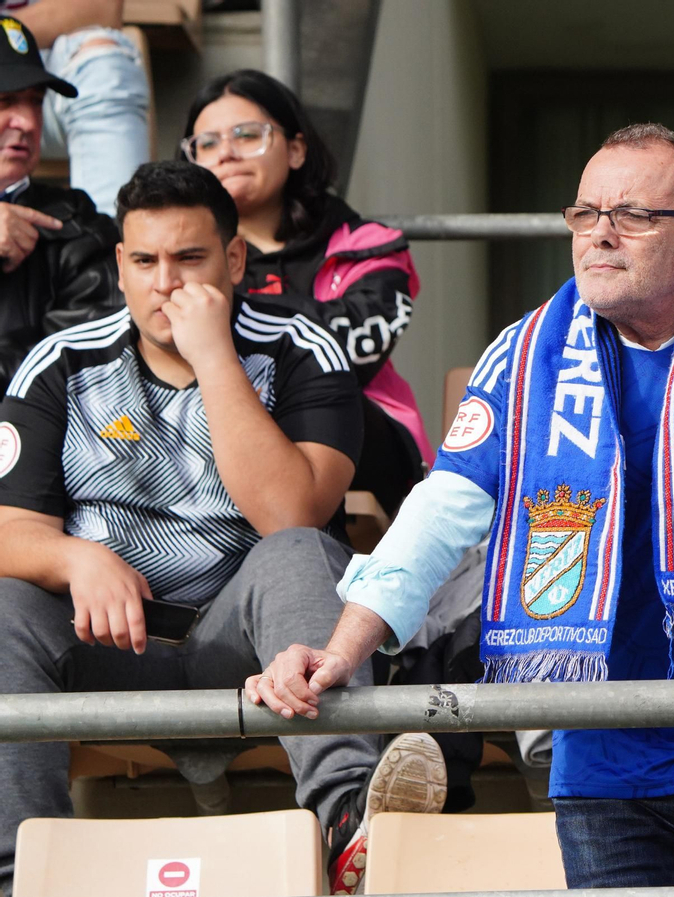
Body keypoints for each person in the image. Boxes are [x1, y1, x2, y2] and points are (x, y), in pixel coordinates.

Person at [248, 123, 674, 888]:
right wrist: (341, 652)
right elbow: (438, 515)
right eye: (584, 214)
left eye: (631, 215)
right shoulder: (526, 354)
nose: (599, 235)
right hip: (601, 760)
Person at [0, 160, 443, 897]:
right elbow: (10, 529)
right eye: (144, 261)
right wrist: (73, 557)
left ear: (234, 260)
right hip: (107, 648)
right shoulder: (60, 364)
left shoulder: (302, 351)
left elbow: (289, 513)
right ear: (120, 265)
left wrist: (213, 357)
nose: (165, 283)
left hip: (252, 649)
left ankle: (349, 833)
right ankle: (18, 873)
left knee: (302, 551)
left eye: (189, 258)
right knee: (7, 603)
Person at [181, 69, 429, 516]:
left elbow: (349, 350)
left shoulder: (368, 246)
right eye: (208, 144)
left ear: (296, 150)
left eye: (247, 135)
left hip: (364, 443)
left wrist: (225, 325)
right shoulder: (178, 258)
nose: (228, 154)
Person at [0, 13, 120, 394]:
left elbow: (81, 373)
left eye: (36, 102)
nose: (28, 122)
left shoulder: (76, 224)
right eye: (5, 100)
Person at [6, 0, 150, 215]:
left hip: (46, 62)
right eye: (5, 101)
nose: (27, 121)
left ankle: (115, 235)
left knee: (103, 68)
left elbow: (101, 5)